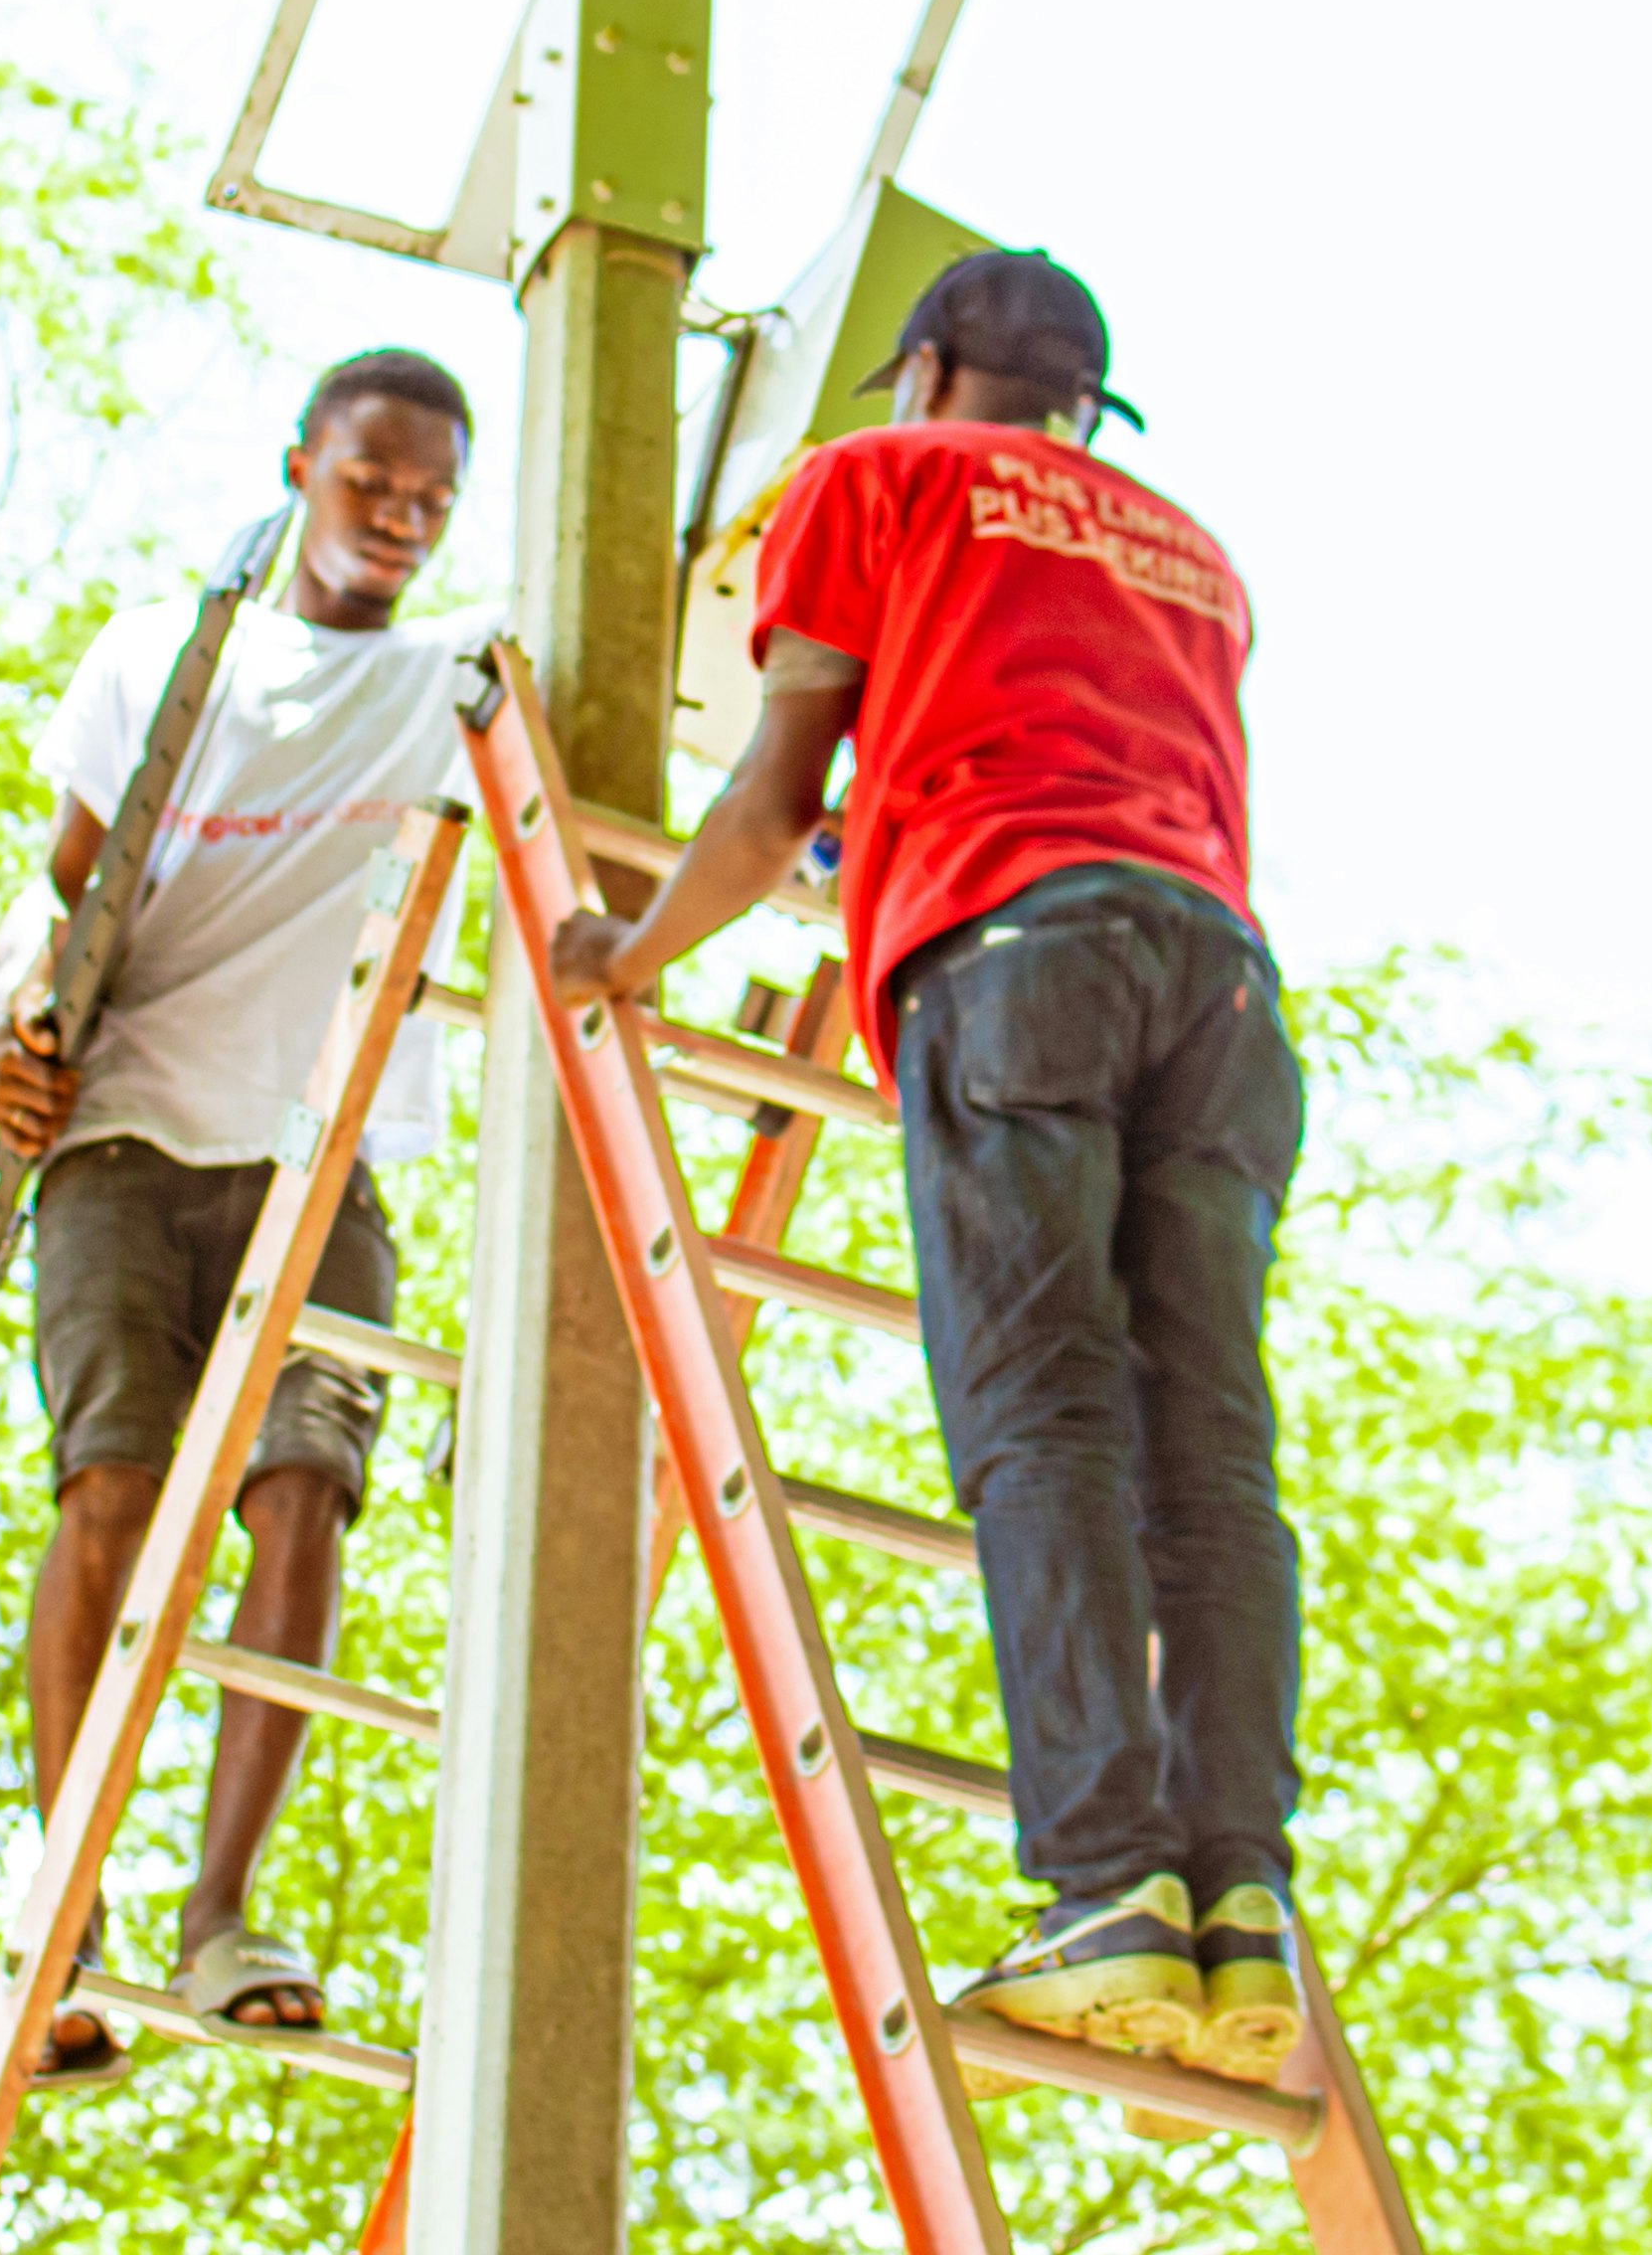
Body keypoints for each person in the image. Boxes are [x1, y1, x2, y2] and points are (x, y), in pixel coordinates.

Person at [545, 253, 1306, 2095]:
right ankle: (1240, 1891)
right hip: (1219, 983)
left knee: (1043, 1416)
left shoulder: (874, 480)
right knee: (1206, 1447)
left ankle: (1107, 1882)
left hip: (1010, 960)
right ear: (1086, 404)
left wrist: (621, 955)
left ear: (930, 363)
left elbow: (773, 794)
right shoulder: (1192, 554)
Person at [0, 346, 484, 2083]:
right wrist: (9, 1022)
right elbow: (58, 887)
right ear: (301, 467)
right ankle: (71, 1909)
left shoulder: (458, 681)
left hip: (316, 1148)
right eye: (371, 485)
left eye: (432, 501)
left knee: (303, 1496)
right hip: (128, 1136)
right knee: (111, 1487)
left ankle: (222, 1910)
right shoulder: (168, 654)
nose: (399, 522)